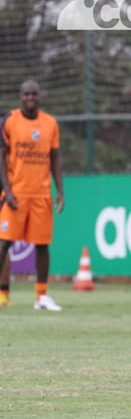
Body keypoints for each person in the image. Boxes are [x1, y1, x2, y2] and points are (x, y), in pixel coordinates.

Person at [0, 80, 65, 312]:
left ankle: (41, 296)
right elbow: (2, 155)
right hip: (16, 193)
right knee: (4, 242)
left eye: (34, 94)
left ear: (40, 96)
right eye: (26, 94)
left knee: (42, 245)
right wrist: (6, 190)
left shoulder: (50, 123)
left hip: (41, 194)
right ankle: (2, 293)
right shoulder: (9, 121)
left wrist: (60, 191)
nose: (30, 98)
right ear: (20, 96)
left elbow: (55, 159)